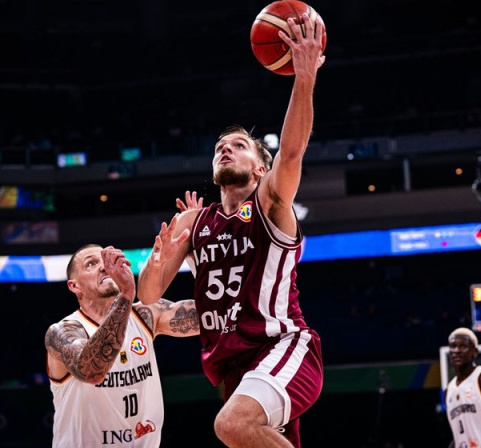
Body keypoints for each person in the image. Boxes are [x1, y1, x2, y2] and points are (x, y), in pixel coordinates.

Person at [136, 12, 326, 448]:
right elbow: (148, 296)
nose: (225, 149)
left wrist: (304, 79)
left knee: (231, 425)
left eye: (238, 146)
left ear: (260, 168)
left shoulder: (269, 203)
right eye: (220, 147)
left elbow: (293, 152)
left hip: (283, 346)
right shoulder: (194, 222)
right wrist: (159, 256)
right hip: (235, 366)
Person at [44, 243, 199, 447]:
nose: (103, 267)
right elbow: (92, 371)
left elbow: (213, 316)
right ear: (74, 286)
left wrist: (195, 256)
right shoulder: (62, 333)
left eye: (105, 260)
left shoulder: (146, 315)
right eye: (91, 264)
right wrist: (126, 294)